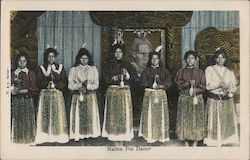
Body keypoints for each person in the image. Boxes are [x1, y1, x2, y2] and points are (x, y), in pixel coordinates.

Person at [102, 43, 137, 143]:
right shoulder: (108, 65)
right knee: (113, 114)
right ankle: (113, 136)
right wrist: (113, 78)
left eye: (120, 52)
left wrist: (127, 75)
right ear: (113, 53)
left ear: (123, 53)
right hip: (113, 93)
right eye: (116, 52)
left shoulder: (127, 65)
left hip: (124, 93)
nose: (118, 54)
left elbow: (135, 78)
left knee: (124, 114)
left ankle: (124, 135)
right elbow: (105, 78)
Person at [204, 48, 239, 146]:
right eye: (218, 58)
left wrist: (228, 88)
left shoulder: (228, 71)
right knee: (214, 121)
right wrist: (220, 84)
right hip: (214, 99)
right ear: (214, 59)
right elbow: (208, 86)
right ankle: (214, 141)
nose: (220, 60)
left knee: (226, 120)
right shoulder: (209, 69)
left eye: (222, 58)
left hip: (226, 99)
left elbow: (234, 87)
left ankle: (225, 140)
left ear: (225, 59)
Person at [34, 47, 69, 144]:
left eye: (53, 56)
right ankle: (45, 135)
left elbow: (64, 82)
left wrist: (56, 85)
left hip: (57, 95)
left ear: (55, 57)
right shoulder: (41, 68)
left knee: (57, 114)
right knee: (45, 114)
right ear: (46, 57)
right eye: (49, 56)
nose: (51, 58)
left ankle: (57, 134)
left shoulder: (60, 67)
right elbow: (38, 82)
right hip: (45, 95)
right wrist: (47, 85)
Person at [139, 50, 172, 143]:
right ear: (150, 60)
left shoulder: (164, 71)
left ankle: (160, 136)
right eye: (152, 59)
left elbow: (168, 83)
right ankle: (149, 136)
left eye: (156, 59)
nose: (154, 60)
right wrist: (151, 83)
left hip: (160, 96)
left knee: (160, 116)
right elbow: (142, 82)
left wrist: (161, 85)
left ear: (159, 60)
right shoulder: (146, 70)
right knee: (149, 115)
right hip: (149, 96)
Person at [68, 47, 101, 141]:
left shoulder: (93, 69)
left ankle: (89, 135)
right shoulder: (74, 70)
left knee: (89, 116)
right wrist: (79, 86)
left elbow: (96, 84)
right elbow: (70, 85)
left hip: (90, 96)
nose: (84, 60)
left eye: (86, 58)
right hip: (78, 96)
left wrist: (88, 86)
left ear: (88, 59)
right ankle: (79, 135)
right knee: (79, 116)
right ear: (79, 59)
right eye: (82, 58)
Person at [175, 50, 206, 146]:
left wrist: (196, 90)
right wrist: (187, 83)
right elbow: (177, 85)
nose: (190, 60)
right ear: (185, 60)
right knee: (184, 119)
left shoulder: (200, 72)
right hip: (184, 99)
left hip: (197, 99)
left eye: (192, 58)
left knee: (196, 120)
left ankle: (195, 141)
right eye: (188, 58)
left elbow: (203, 86)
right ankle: (185, 141)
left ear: (195, 60)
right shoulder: (181, 72)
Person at [11, 53, 38, 143]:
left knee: (27, 120)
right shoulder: (13, 74)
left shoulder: (31, 73)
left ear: (27, 62)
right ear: (17, 62)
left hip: (27, 100)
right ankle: (18, 139)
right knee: (18, 120)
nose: (22, 63)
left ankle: (28, 139)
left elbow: (34, 88)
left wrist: (21, 91)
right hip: (17, 101)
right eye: (20, 61)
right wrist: (13, 90)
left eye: (24, 61)